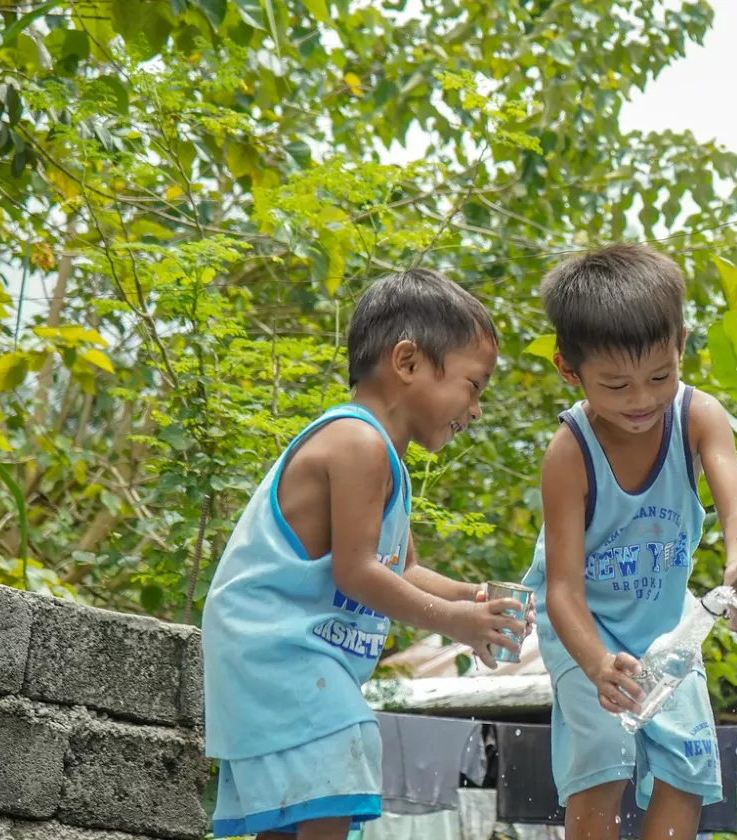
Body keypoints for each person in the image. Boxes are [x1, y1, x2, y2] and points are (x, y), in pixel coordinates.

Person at [201, 268, 527, 840]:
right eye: (474, 386)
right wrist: (456, 623)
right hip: (276, 654)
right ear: (407, 363)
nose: (475, 410)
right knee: (344, 749)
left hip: (294, 660)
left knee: (300, 812)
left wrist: (469, 598)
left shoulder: (387, 462)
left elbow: (400, 570)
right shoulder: (357, 442)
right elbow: (357, 573)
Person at [520, 243, 737, 840]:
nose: (641, 401)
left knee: (687, 764)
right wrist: (598, 664)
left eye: (660, 376)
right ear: (568, 370)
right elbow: (561, 592)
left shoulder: (699, 417)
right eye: (616, 385)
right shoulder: (570, 454)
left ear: (681, 344)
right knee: (604, 755)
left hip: (665, 624)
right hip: (585, 626)